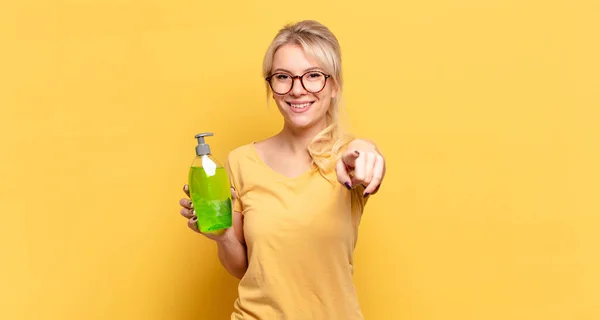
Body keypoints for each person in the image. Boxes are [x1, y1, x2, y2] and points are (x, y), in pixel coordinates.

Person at [178, 20, 386, 320]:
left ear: (334, 85)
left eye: (313, 76)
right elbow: (245, 268)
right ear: (271, 87)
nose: (297, 89)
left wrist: (368, 150)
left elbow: (365, 155)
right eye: (283, 77)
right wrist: (222, 236)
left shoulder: (348, 160)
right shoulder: (240, 162)